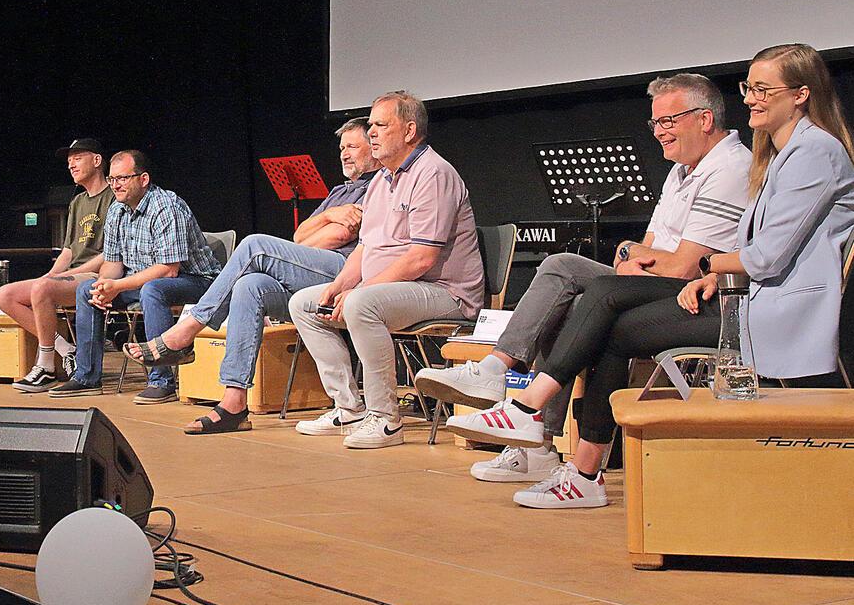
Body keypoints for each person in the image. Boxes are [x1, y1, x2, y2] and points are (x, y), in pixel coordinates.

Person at [447, 43, 854, 509]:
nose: (750, 99)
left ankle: (535, 420)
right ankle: (565, 457)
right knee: (609, 319)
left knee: (601, 300)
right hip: (743, 299)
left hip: (771, 315)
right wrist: (709, 272)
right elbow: (734, 252)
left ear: (801, 94)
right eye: (748, 87)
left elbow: (764, 257)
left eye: (763, 89)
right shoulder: (779, 155)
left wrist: (706, 267)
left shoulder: (813, 152)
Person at [414, 73, 751, 483]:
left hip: (690, 295)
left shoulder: (729, 167)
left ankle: (533, 430)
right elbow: (640, 248)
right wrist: (635, 256)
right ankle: (503, 385)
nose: (659, 132)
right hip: (647, 284)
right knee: (561, 268)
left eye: (668, 121)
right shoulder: (682, 170)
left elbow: (684, 266)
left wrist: (637, 256)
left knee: (578, 304)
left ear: (704, 119)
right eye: (655, 123)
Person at [123, 118, 381, 434]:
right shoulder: (341, 192)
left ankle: (186, 331)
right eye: (342, 148)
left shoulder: (379, 185)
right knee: (250, 285)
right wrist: (329, 215)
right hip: (316, 273)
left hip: (349, 273)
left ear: (375, 146)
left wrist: (329, 229)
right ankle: (234, 403)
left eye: (352, 146)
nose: (344, 154)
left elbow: (338, 237)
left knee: (255, 245)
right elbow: (300, 237)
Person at [289, 91, 486, 449]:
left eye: (381, 125)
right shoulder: (381, 180)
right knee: (305, 303)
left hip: (445, 293)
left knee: (362, 305)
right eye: (372, 125)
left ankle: (386, 419)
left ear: (410, 130)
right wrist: (339, 285)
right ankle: (348, 408)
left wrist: (359, 292)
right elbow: (366, 248)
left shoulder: (433, 174)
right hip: (399, 290)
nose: (372, 133)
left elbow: (422, 258)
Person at [49, 149, 222, 402]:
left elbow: (168, 269)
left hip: (196, 281)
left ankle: (162, 381)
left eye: (123, 179)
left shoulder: (166, 207)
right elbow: (113, 263)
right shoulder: (117, 211)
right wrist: (104, 285)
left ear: (143, 179)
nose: (116, 185)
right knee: (87, 290)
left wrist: (117, 285)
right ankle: (86, 377)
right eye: (112, 179)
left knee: (154, 289)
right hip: (144, 280)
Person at [0, 138, 113, 392]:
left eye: (77, 157)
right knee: (5, 295)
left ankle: (47, 367)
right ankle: (66, 349)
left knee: (43, 289)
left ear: (96, 161)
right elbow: (69, 250)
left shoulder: (114, 198)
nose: (71, 164)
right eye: (69, 160)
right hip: (73, 275)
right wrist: (49, 277)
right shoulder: (77, 202)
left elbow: (112, 254)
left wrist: (56, 280)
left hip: (98, 275)